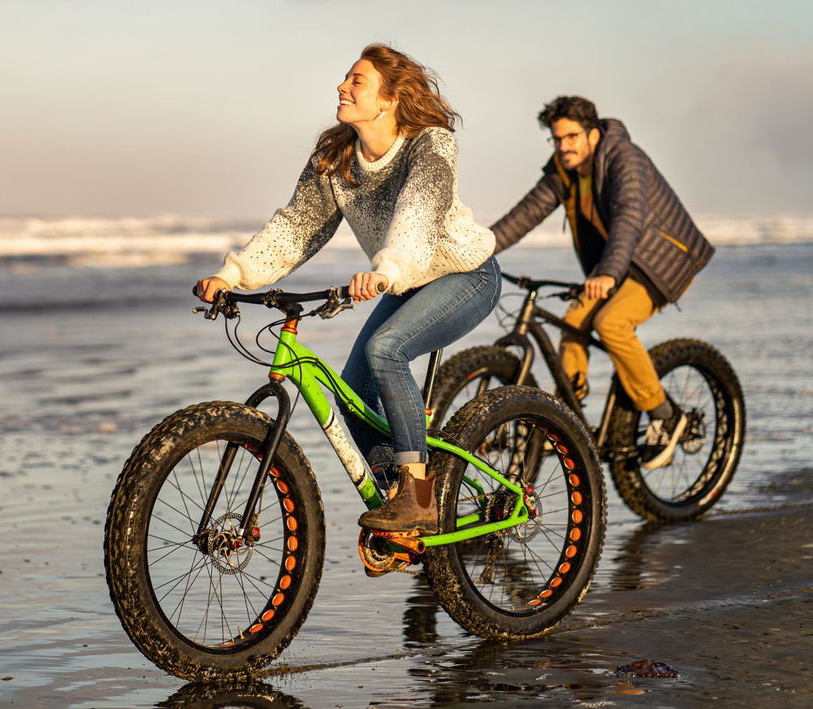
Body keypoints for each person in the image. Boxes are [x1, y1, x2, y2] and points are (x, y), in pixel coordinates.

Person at [195, 44, 499, 534]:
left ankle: (420, 495)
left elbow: (416, 216)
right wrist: (232, 275)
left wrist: (388, 267)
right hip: (402, 282)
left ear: (391, 97)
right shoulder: (336, 158)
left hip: (466, 276)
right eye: (345, 79)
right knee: (354, 391)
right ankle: (396, 502)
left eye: (357, 81)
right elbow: (296, 228)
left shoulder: (431, 144)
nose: (342, 87)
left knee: (386, 350)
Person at [490, 95, 714, 469]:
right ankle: (567, 422)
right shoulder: (563, 172)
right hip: (618, 263)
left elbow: (629, 214)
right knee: (573, 322)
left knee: (612, 323)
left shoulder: (626, 158)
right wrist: (473, 250)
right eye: (557, 139)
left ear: (593, 134)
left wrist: (607, 272)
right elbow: (523, 216)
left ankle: (666, 417)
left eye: (571, 137)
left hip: (662, 260)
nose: (564, 147)